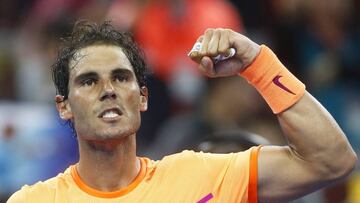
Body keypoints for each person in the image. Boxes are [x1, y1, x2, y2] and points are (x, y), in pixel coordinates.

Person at [8, 20, 357, 203]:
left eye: (120, 77)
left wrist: (258, 64)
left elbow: (332, 161)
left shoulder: (203, 176)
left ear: (142, 97)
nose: (109, 90)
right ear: (64, 106)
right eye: (88, 81)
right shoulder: (36, 201)